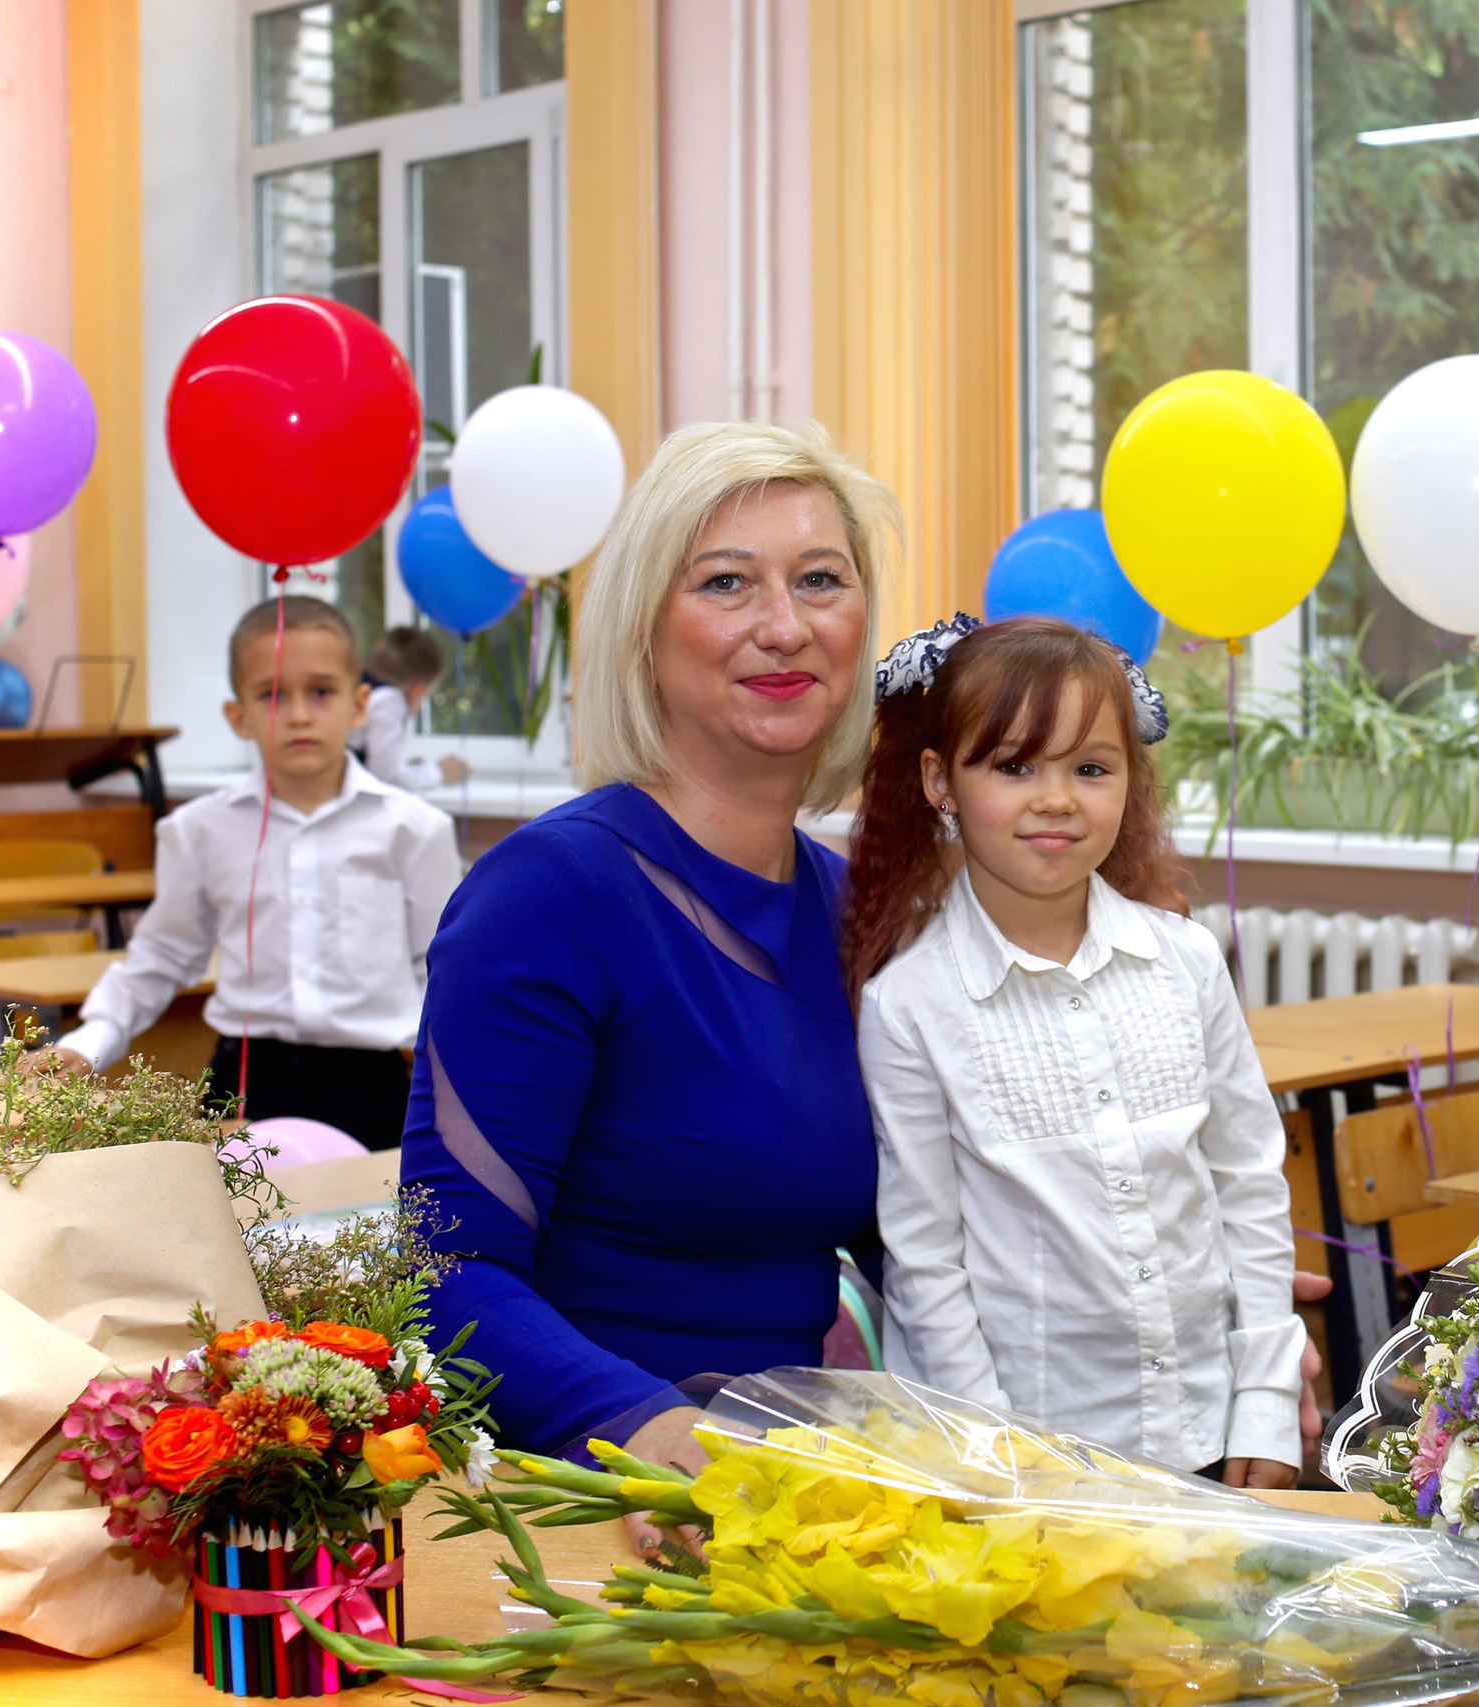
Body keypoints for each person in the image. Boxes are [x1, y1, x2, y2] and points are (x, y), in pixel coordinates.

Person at [395, 422, 893, 1475]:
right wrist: (650, 1430)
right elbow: (447, 1272)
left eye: (819, 580)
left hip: (795, 1479)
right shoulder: (549, 893)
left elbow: (927, 1242)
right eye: (725, 583)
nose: (784, 626)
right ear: (642, 633)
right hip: (586, 1490)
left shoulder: (861, 911)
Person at [843, 616, 1307, 1488]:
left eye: (1091, 768)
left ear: (1131, 780)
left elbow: (1248, 1183)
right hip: (1037, 1463)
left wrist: (1268, 1402)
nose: (1056, 798)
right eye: (1014, 766)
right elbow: (927, 1263)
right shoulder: (909, 1006)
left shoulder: (1186, 960)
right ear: (941, 781)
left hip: (1212, 1431)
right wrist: (1001, 1463)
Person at [45, 597, 460, 1151]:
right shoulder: (200, 830)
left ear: (360, 705)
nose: (298, 715)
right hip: (245, 1082)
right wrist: (91, 1038)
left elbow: (443, 973)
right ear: (238, 716)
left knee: (374, 1210)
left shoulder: (415, 829)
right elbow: (162, 955)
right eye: (271, 695)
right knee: (233, 1210)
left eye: (321, 691)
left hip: (375, 1087)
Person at [356, 625, 471, 792]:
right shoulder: (389, 701)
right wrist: (440, 772)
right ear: (416, 691)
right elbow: (389, 779)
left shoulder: (362, 687)